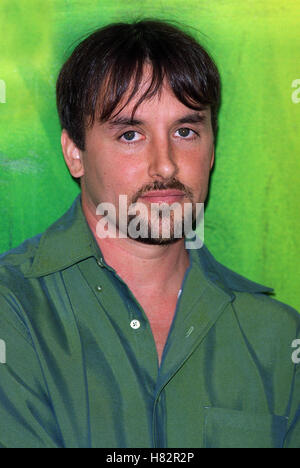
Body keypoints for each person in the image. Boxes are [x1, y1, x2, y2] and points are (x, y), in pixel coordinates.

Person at [0, 19, 299, 449]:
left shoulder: (280, 339)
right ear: (75, 153)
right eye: (130, 134)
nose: (165, 165)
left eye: (185, 131)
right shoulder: (15, 314)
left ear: (211, 150)